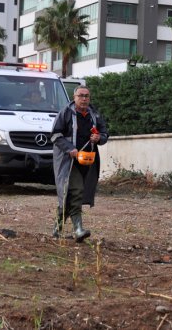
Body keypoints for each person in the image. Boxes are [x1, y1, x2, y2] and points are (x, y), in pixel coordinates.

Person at [51, 85, 108, 242]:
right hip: (67, 161)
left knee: (69, 194)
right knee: (76, 190)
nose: (84, 99)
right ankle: (78, 230)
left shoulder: (94, 114)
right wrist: (69, 149)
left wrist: (99, 138)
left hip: (87, 160)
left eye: (87, 96)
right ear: (74, 97)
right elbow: (55, 135)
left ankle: (57, 228)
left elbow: (104, 134)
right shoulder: (65, 113)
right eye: (81, 95)